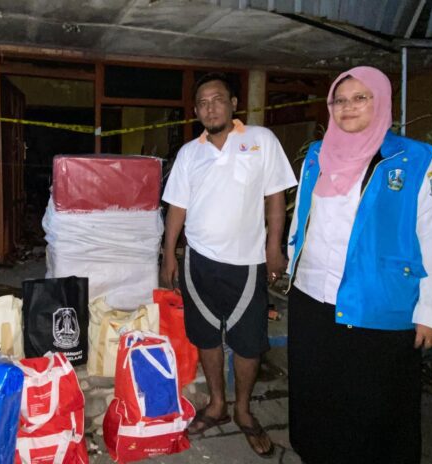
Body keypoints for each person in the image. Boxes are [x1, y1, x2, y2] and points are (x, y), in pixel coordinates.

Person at [286, 66, 432, 464]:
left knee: (374, 402)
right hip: (312, 297)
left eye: (360, 98)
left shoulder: (415, 160)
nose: (347, 107)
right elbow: (303, 216)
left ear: (381, 102)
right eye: (340, 100)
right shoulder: (317, 155)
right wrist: (292, 262)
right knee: (315, 390)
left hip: (378, 303)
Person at [161, 72, 297, 458]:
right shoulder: (190, 153)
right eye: (203, 103)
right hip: (199, 262)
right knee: (205, 336)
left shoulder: (261, 140)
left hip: (248, 263)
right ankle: (218, 404)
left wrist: (274, 247)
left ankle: (244, 410)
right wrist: (168, 254)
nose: (211, 108)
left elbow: (275, 197)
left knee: (249, 343)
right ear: (195, 111)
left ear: (234, 103)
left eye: (218, 99)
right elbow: (177, 208)